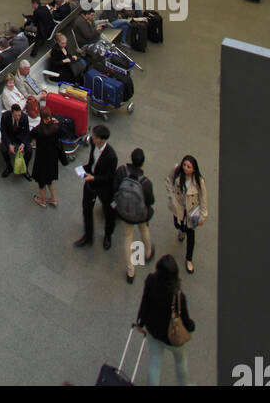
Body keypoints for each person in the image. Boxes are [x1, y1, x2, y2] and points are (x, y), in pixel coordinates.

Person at [135, 255, 195, 386]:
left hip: (154, 331)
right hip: (173, 337)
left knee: (154, 363)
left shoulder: (150, 281)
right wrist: (191, 326)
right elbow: (186, 321)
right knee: (180, 361)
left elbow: (145, 303)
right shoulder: (178, 295)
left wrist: (140, 322)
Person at [113, 148, 155, 284]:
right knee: (144, 230)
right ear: (143, 163)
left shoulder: (122, 171)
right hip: (140, 214)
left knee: (128, 237)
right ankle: (148, 253)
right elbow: (150, 201)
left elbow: (115, 187)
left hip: (125, 212)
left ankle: (130, 270)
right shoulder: (145, 183)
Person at [74, 124, 118, 249]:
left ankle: (108, 236)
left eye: (95, 136)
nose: (92, 137)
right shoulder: (94, 145)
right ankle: (88, 237)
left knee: (108, 213)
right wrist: (84, 169)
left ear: (102, 140)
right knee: (86, 209)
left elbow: (109, 177)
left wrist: (94, 178)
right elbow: (92, 162)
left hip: (105, 188)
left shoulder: (111, 156)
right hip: (91, 182)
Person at [166, 155, 208, 274]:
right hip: (178, 207)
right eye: (184, 165)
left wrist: (203, 215)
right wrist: (171, 195)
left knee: (191, 235)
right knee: (177, 224)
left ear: (194, 169)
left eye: (189, 166)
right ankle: (181, 230)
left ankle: (189, 259)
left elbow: (203, 198)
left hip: (191, 211)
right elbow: (168, 180)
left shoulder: (199, 181)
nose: (185, 168)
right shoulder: (177, 173)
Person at [31, 105, 67, 207]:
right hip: (52, 159)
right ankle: (53, 199)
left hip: (42, 160)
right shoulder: (55, 128)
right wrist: (57, 123)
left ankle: (42, 200)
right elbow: (64, 133)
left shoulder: (38, 130)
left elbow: (31, 135)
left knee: (41, 182)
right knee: (50, 180)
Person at [0, 103, 32, 178]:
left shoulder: (24, 117)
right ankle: (9, 167)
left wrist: (23, 144)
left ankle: (24, 167)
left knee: (29, 151)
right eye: (15, 115)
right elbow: (3, 131)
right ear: (12, 113)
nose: (18, 117)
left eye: (19, 115)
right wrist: (9, 144)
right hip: (9, 136)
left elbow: (27, 132)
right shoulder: (5, 116)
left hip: (20, 137)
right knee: (3, 150)